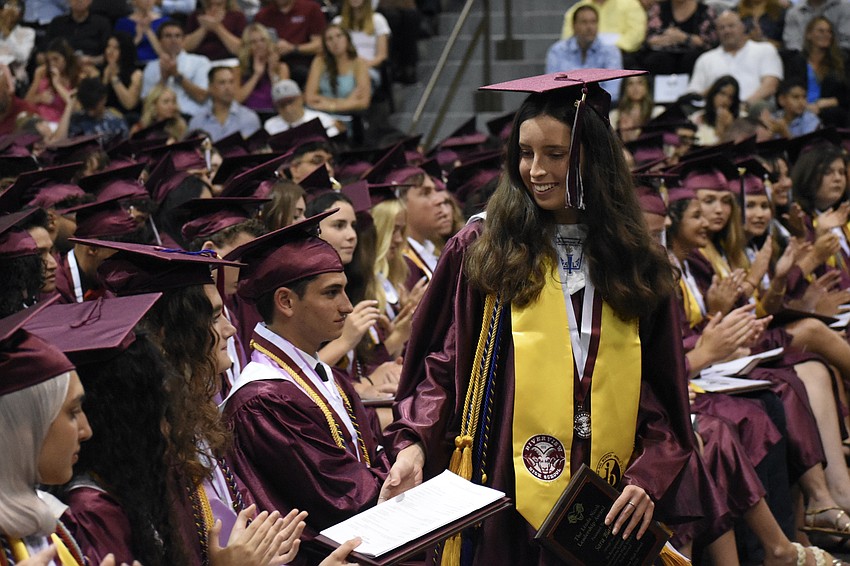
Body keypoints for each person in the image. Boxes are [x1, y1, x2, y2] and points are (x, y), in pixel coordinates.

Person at [380, 69, 706, 564]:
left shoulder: (635, 258)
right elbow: (443, 362)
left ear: (593, 158)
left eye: (556, 154)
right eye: (525, 153)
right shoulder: (485, 246)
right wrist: (414, 444)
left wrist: (648, 476)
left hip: (609, 485)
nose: (535, 170)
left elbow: (661, 389)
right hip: (508, 476)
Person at [221, 214, 391, 565]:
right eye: (331, 292)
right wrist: (399, 474)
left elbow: (372, 449)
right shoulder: (262, 401)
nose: (347, 306)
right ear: (285, 301)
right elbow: (346, 498)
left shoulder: (323, 374)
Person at [688, 11, 783, 105]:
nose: (727, 31)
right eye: (722, 28)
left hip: (753, 109)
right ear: (717, 32)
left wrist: (743, 106)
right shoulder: (705, 59)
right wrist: (712, 92)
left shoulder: (765, 50)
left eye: (731, 26)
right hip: (714, 111)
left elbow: (770, 86)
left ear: (742, 27)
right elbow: (692, 94)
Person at [545, 4, 623, 103]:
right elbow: (551, 88)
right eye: (584, 22)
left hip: (600, 107)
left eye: (593, 22)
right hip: (564, 106)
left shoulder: (611, 52)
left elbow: (613, 91)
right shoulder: (557, 51)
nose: (589, 27)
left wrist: (586, 105)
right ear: (574, 26)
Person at [784, 16, 850, 129]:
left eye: (829, 31)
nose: (826, 34)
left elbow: (847, 93)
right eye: (821, 31)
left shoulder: (842, 61)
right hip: (801, 108)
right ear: (809, 35)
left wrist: (831, 101)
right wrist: (803, 105)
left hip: (831, 112)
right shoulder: (797, 61)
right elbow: (788, 89)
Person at [141, 19, 211, 119]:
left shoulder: (200, 62)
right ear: (160, 41)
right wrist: (164, 79)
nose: (173, 40)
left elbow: (202, 97)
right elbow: (147, 103)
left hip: (192, 117)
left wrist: (176, 75)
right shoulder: (151, 67)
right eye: (168, 36)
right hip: (161, 119)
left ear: (183, 40)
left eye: (177, 36)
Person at [303, 24, 371, 125]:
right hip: (320, 114)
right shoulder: (319, 61)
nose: (335, 42)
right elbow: (309, 97)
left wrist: (330, 106)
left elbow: (363, 102)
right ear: (326, 45)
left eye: (339, 36)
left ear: (347, 39)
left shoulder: (359, 63)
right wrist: (348, 101)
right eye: (329, 39)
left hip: (346, 117)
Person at [254, 0, 326, 86]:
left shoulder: (310, 8)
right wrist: (271, 49)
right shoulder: (262, 16)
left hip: (304, 64)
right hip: (272, 65)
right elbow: (253, 45)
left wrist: (292, 48)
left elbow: (320, 45)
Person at [636, 0, 717, 75]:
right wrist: (667, 39)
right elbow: (649, 39)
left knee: (692, 59)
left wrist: (683, 37)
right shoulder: (658, 9)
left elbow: (709, 43)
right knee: (658, 59)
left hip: (692, 57)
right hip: (663, 56)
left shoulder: (705, 11)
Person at [188, 66, 260, 142]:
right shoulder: (197, 122)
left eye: (231, 82)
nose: (228, 87)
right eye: (222, 83)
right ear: (210, 87)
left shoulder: (249, 118)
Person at [332, 0, 390, 86]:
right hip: (342, 68)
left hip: (368, 69)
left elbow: (382, 56)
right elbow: (332, 51)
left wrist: (360, 66)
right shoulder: (338, 21)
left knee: (353, 82)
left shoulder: (378, 20)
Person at [24, 38, 82, 124]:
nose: (52, 64)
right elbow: (26, 101)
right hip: (38, 119)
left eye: (56, 59)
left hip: (60, 123)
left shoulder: (78, 76)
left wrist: (57, 85)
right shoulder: (42, 72)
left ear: (66, 58)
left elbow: (77, 108)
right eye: (49, 60)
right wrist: (40, 98)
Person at [235, 23, 289, 114]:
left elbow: (283, 100)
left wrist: (272, 73)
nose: (259, 45)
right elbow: (236, 100)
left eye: (263, 40)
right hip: (247, 114)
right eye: (253, 42)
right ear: (247, 46)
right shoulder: (238, 69)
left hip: (273, 113)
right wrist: (256, 75)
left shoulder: (281, 67)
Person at [559, 0, 647, 54]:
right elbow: (567, 39)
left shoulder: (631, 4)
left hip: (623, 54)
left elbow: (635, 38)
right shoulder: (576, 10)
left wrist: (607, 47)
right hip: (583, 55)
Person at [44, 0, 109, 68]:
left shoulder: (102, 24)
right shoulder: (57, 23)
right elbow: (42, 53)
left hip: (91, 68)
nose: (79, 1)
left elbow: (108, 55)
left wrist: (92, 60)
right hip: (61, 69)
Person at [264, 78, 339, 136]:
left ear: (301, 98)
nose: (287, 108)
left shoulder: (322, 119)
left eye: (291, 102)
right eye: (282, 104)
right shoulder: (270, 126)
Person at [100, 32, 143, 117]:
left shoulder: (136, 74)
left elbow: (129, 104)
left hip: (127, 117)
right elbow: (98, 103)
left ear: (125, 51)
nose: (110, 51)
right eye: (108, 46)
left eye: (116, 48)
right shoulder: (101, 71)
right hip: (105, 116)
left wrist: (114, 78)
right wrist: (105, 78)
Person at [691, 75, 741, 146]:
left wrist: (728, 128)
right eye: (722, 94)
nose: (725, 101)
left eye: (730, 97)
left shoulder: (737, 122)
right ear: (713, 94)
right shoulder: (698, 118)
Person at [783, 0, 850, 51]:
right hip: (803, 60)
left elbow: (846, 43)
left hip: (839, 59)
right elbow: (792, 44)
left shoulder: (845, 7)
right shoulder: (794, 12)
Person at [114, 0, 165, 64]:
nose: (148, 1)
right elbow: (119, 52)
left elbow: (166, 54)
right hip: (131, 64)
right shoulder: (123, 23)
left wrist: (148, 32)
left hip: (158, 64)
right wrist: (138, 37)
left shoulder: (164, 22)